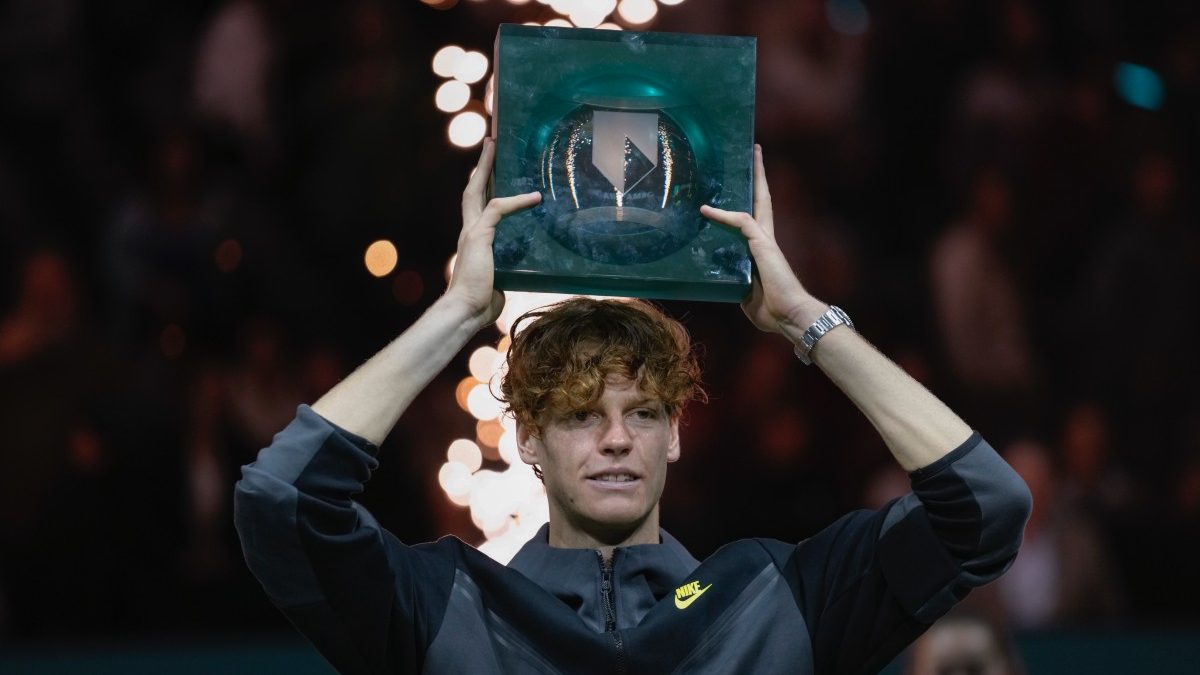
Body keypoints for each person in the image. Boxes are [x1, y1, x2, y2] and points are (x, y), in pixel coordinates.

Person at [234, 140, 1032, 674]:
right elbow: (283, 500)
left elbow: (985, 507)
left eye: (643, 413)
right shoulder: (451, 603)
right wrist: (456, 313)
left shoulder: (771, 594)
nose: (617, 439)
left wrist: (803, 319)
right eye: (582, 415)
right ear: (529, 444)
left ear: (676, 435)